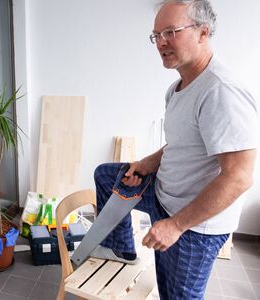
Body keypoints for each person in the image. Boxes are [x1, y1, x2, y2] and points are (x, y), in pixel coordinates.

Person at [92, 0, 258, 298]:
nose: (161, 42)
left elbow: (240, 177)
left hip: (193, 224)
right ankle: (123, 253)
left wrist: (175, 225)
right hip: (164, 197)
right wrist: (147, 162)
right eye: (156, 35)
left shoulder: (221, 91)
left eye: (171, 31)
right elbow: (184, 142)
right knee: (107, 176)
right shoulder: (178, 88)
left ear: (203, 33)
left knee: (176, 295)